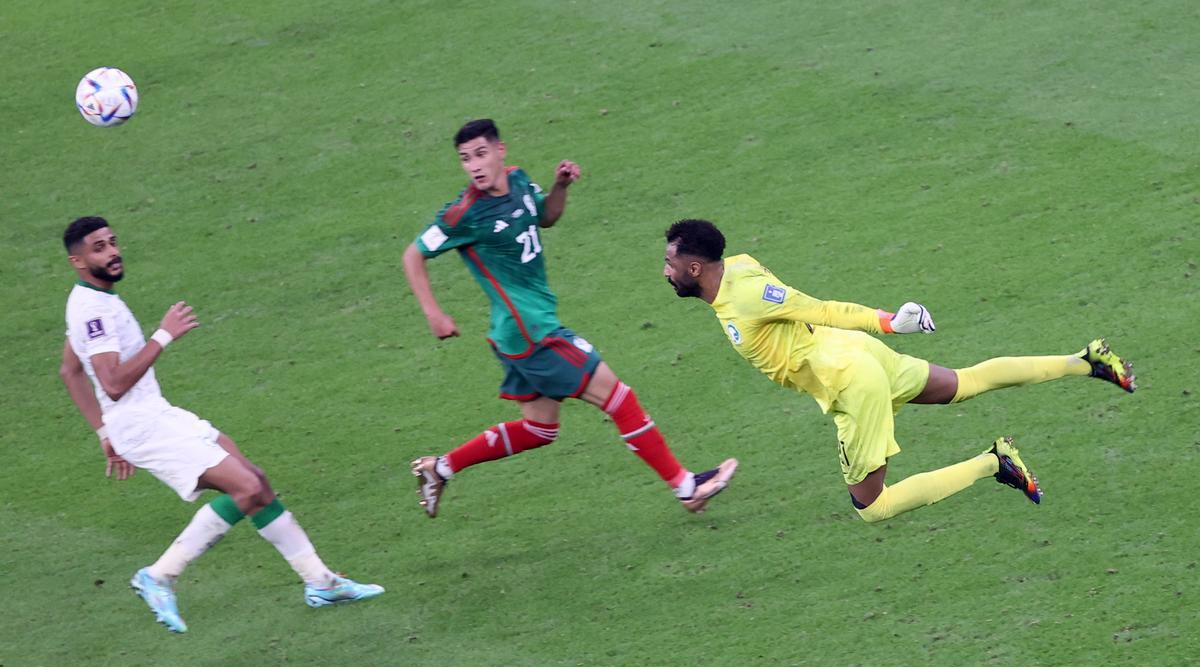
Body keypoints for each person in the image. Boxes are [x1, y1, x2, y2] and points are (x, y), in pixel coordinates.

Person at [660, 219, 1136, 522]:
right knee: (966, 381)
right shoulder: (738, 268)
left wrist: (888, 321)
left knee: (872, 507)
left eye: (670, 263)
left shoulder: (743, 295)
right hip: (854, 355)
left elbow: (822, 308)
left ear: (697, 268)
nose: (666, 271)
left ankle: (995, 462)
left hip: (850, 379)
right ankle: (1087, 361)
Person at [59, 216, 384, 634]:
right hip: (143, 425)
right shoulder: (93, 311)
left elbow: (70, 370)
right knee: (245, 488)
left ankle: (321, 584)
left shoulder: (87, 299)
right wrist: (164, 335)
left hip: (155, 414)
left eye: (113, 242)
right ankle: (159, 576)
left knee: (255, 481)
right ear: (78, 261)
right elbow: (113, 383)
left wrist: (104, 432)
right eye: (99, 248)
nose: (113, 252)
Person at [403, 119, 737, 516]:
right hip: (532, 334)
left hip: (518, 334)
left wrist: (560, 186)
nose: (474, 165)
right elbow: (414, 254)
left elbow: (545, 217)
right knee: (619, 398)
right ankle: (686, 488)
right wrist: (434, 313)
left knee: (539, 429)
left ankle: (439, 468)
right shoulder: (464, 214)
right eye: (464, 159)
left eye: (480, 154)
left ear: (499, 150)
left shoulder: (519, 181)